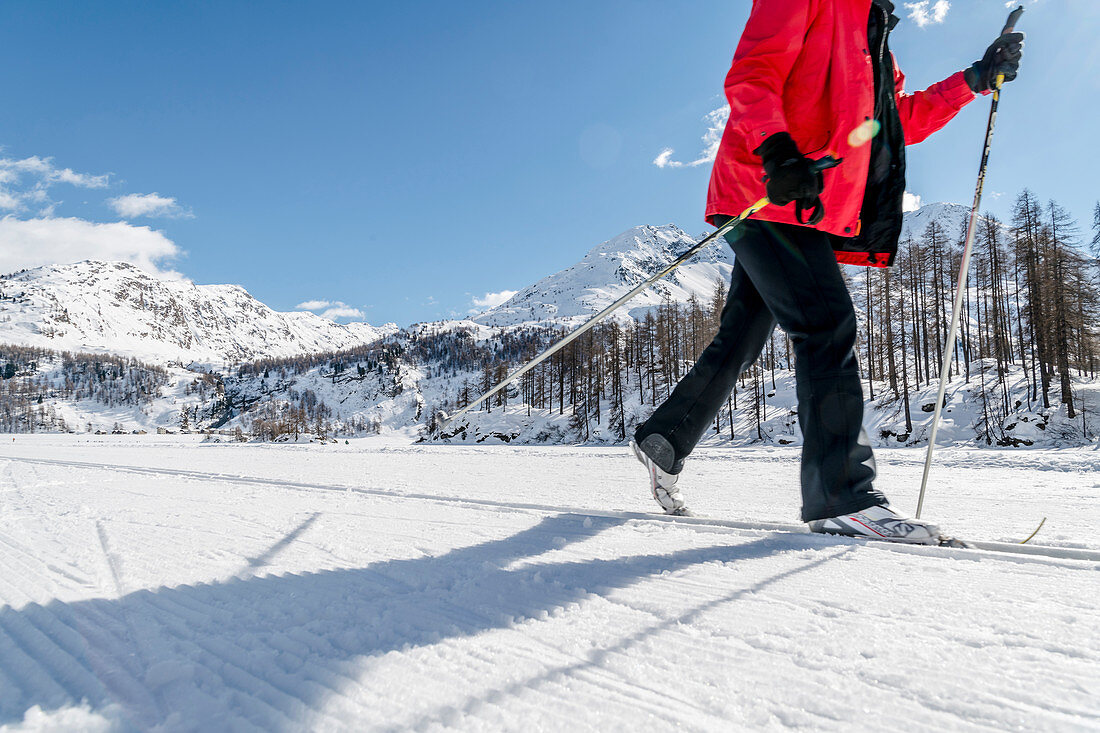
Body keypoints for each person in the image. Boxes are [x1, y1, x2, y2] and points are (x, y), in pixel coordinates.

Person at [630, 0, 1023, 544]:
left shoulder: (874, 34)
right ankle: (842, 495)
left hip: (802, 204)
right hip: (766, 192)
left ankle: (665, 438)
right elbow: (753, 73)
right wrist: (776, 150)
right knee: (826, 325)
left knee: (743, 335)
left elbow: (888, 124)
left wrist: (973, 80)